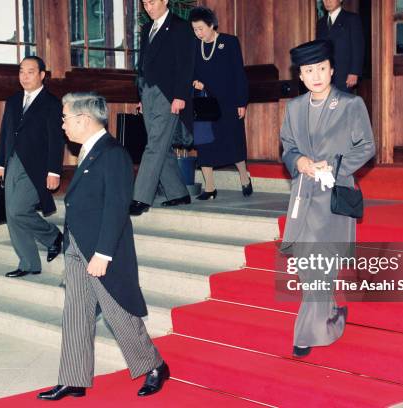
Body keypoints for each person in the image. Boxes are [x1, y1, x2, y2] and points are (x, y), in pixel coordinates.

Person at [37, 93, 169, 401]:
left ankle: (154, 365)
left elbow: (116, 206)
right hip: (77, 244)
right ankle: (73, 378)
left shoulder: (113, 153)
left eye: (65, 118)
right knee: (76, 313)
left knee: (118, 312)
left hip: (100, 249)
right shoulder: (88, 151)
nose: (63, 125)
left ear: (83, 119)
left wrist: (103, 253)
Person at [280, 40, 375, 358]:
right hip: (303, 196)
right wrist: (298, 162)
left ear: (332, 70)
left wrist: (331, 166)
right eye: (309, 70)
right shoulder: (294, 108)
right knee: (308, 267)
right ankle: (331, 317)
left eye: (322, 68)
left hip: (333, 196)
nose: (317, 75)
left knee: (318, 265)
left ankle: (305, 336)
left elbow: (366, 147)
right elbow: (287, 147)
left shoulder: (350, 105)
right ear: (301, 77)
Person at [0, 56, 64, 278]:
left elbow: (56, 140)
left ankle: (52, 236)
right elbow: (5, 133)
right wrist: (0, 163)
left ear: (42, 75)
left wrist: (54, 171)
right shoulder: (13, 100)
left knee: (17, 210)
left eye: (30, 72)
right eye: (21, 71)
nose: (24, 76)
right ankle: (29, 263)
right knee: (11, 212)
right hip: (13, 162)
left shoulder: (52, 103)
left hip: (37, 167)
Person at [129, 0, 196, 216]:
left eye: (152, 2)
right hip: (148, 93)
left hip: (169, 95)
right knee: (159, 144)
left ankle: (140, 198)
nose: (148, 7)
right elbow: (144, 65)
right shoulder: (148, 27)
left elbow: (186, 65)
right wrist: (142, 96)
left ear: (165, 0)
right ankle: (178, 193)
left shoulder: (180, 26)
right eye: (144, 3)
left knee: (155, 145)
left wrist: (180, 96)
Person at [189, 6, 252, 200]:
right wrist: (194, 83)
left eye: (200, 28)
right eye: (194, 29)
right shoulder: (193, 46)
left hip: (228, 102)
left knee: (234, 141)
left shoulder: (229, 42)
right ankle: (210, 188)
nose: (198, 33)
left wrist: (241, 101)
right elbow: (188, 73)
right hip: (204, 103)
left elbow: (238, 74)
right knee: (204, 143)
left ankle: (244, 177)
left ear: (211, 25)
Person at [315, 0, 364, 92]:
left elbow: (358, 48)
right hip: (325, 75)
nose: (327, 1)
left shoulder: (351, 19)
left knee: (343, 104)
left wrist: (354, 72)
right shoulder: (320, 23)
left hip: (345, 75)